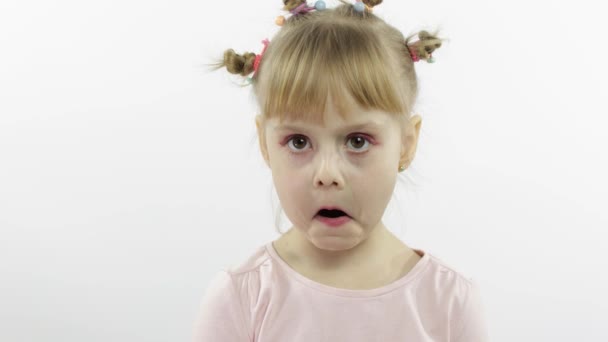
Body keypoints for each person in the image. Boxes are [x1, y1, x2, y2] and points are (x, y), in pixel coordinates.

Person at [195, 0, 490, 340]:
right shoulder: (241, 297)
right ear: (265, 143)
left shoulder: (449, 301)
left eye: (358, 141)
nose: (327, 174)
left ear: (406, 143)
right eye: (299, 142)